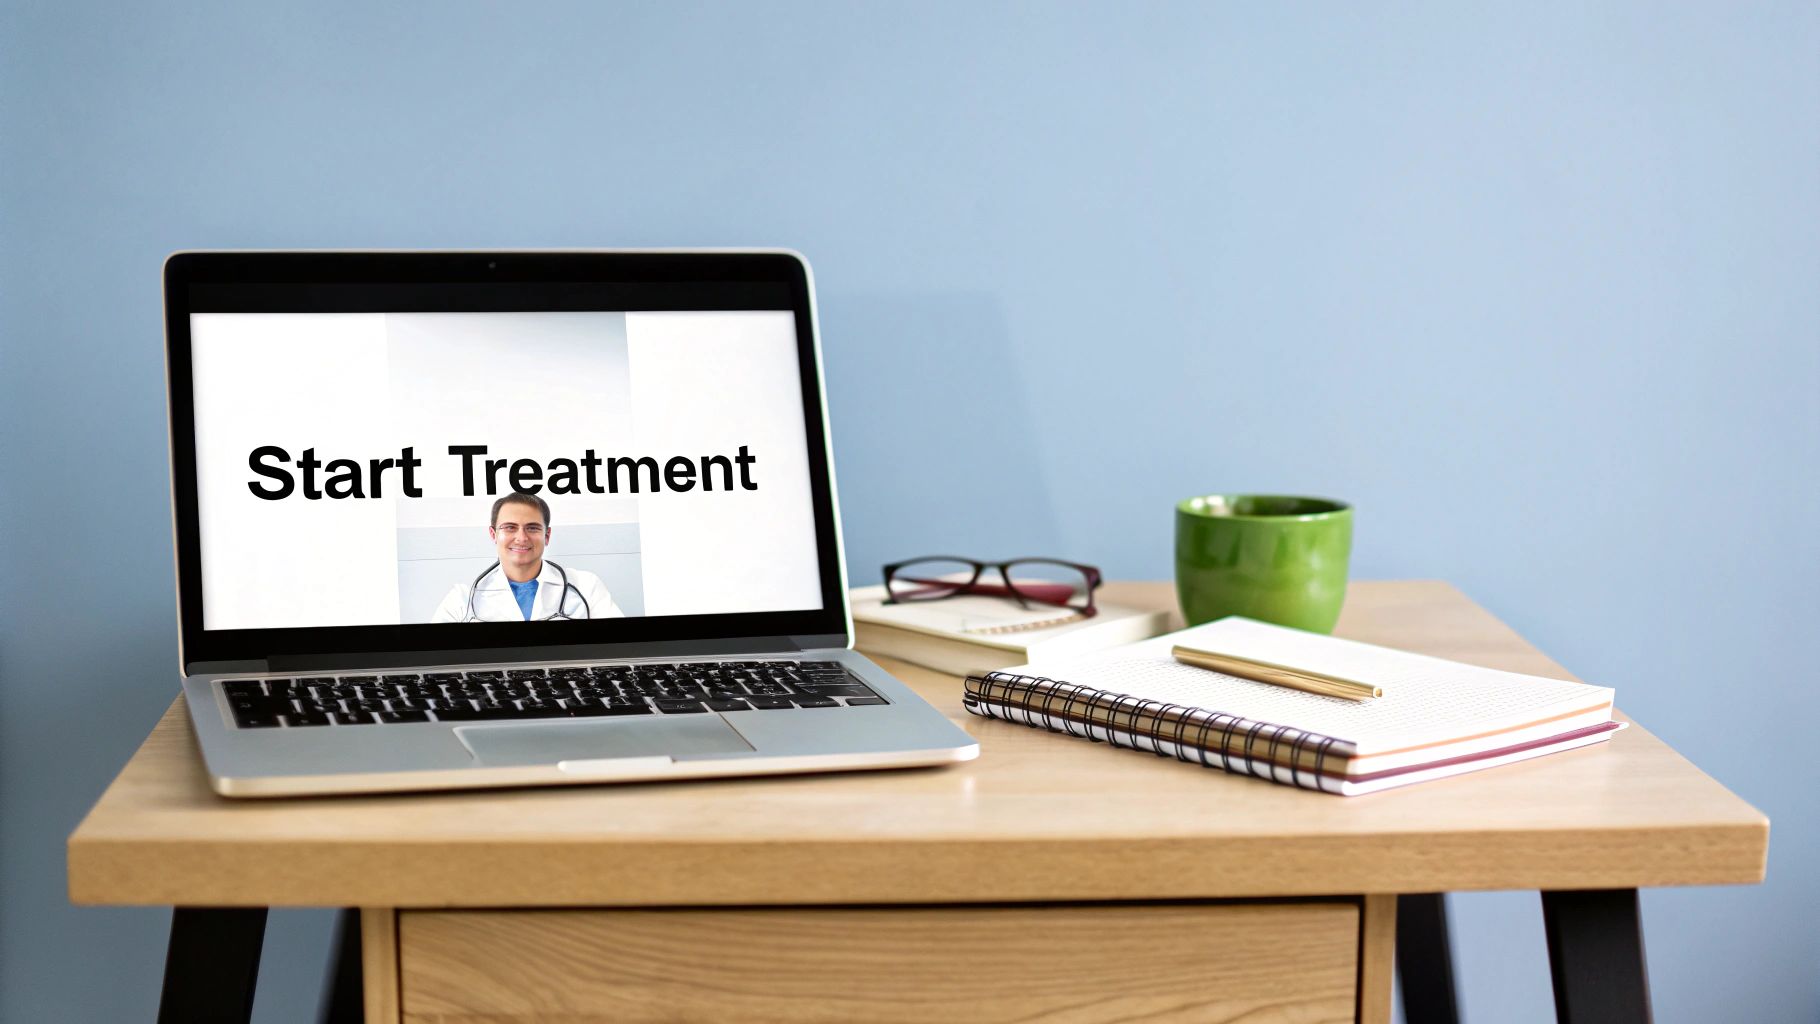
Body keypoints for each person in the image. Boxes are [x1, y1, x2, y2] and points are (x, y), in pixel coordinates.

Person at [432, 492, 623, 622]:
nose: (522, 538)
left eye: (532, 528)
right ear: (493, 535)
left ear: (547, 536)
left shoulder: (587, 587)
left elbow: (621, 650)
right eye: (510, 527)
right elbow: (434, 662)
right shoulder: (462, 599)